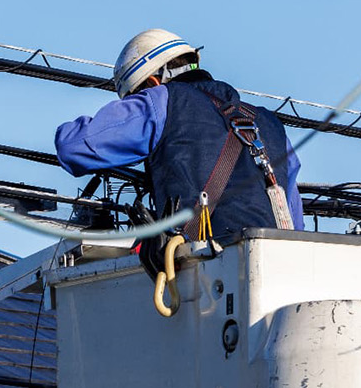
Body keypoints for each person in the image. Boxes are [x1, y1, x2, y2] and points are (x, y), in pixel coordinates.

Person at [55, 28, 303, 241]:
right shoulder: (271, 125)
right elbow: (295, 222)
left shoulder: (160, 100)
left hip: (203, 271)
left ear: (152, 82)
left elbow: (75, 146)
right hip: (280, 271)